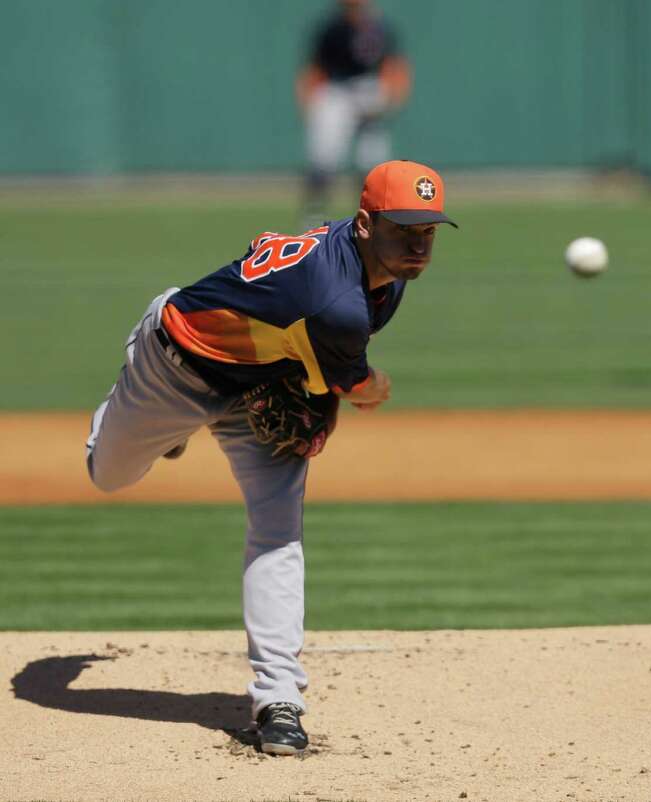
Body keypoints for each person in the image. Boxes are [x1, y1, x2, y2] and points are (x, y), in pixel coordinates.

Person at [85, 160, 456, 756]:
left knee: (279, 531)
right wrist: (369, 386)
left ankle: (278, 699)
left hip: (259, 385)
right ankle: (144, 420)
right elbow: (356, 384)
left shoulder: (383, 268)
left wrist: (318, 378)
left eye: (429, 230)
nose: (417, 245)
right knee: (109, 473)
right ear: (365, 224)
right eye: (403, 228)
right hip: (175, 362)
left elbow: (283, 288)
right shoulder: (338, 301)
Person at [296, 0, 412, 224]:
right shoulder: (331, 29)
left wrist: (389, 100)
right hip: (336, 92)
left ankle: (373, 218)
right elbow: (314, 70)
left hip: (369, 90)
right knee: (324, 159)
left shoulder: (381, 28)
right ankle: (313, 216)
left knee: (372, 164)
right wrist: (309, 103)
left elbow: (395, 68)